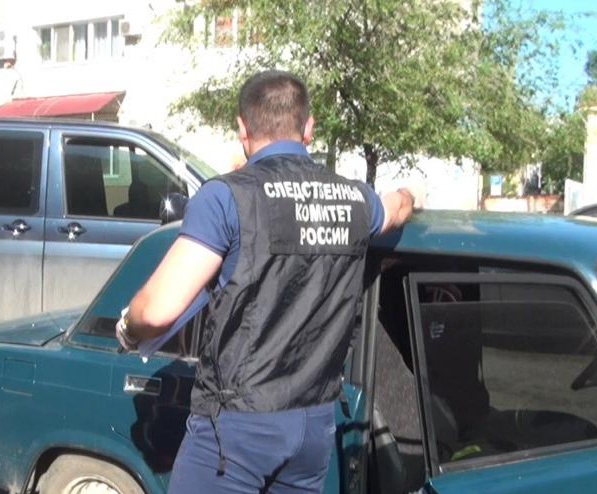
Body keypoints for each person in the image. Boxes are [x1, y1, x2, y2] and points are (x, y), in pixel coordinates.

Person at [116, 70, 416, 493]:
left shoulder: (226, 197)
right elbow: (397, 207)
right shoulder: (355, 199)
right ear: (308, 128)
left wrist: (129, 328)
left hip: (238, 429)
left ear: (243, 129)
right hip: (313, 425)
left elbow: (156, 312)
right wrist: (411, 195)